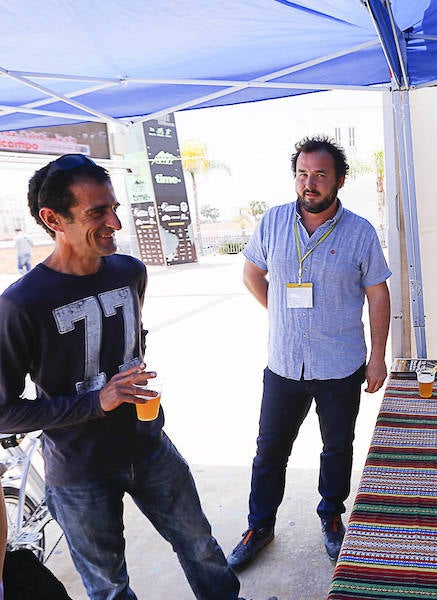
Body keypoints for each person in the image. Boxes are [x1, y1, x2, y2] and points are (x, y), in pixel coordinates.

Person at [0, 154, 240, 600]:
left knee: (201, 547)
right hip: (79, 471)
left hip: (150, 446)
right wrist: (98, 401)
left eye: (115, 208)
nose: (115, 222)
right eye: (97, 212)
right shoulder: (20, 304)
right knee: (109, 587)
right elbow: (4, 413)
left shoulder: (131, 271)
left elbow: (133, 340)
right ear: (53, 218)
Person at [226, 136, 390, 568]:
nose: (309, 183)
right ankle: (259, 526)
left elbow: (378, 293)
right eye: (302, 174)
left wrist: (378, 356)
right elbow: (252, 274)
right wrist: (279, 312)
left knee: (337, 446)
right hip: (283, 363)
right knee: (269, 451)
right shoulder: (274, 221)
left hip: (340, 364)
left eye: (319, 175)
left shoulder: (360, 232)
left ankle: (332, 515)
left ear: (338, 180)